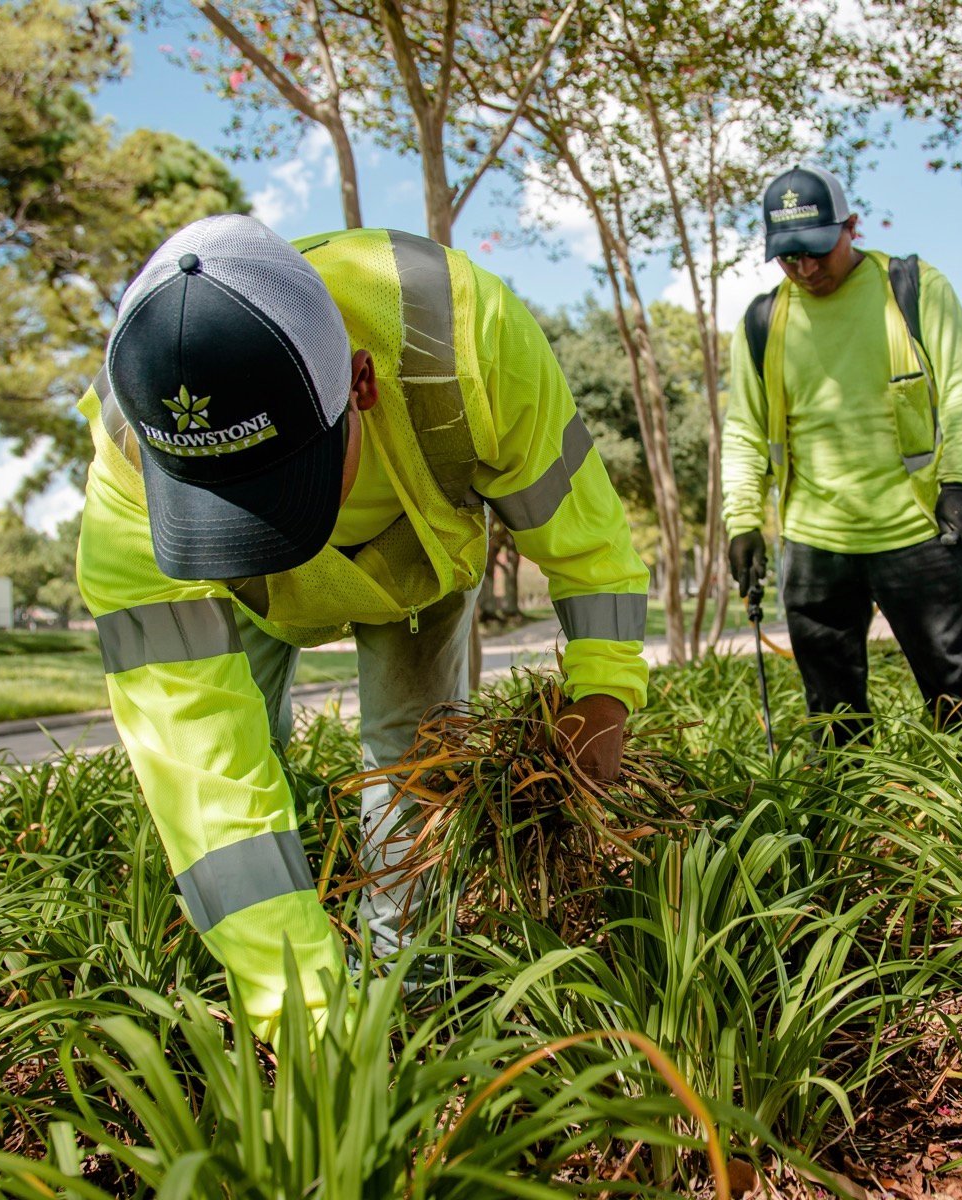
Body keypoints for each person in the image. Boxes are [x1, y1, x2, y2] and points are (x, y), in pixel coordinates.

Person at [75, 214, 649, 1037]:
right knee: (249, 754)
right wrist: (305, 1018)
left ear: (362, 382)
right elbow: (201, 767)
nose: (260, 521)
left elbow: (586, 540)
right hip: (253, 597)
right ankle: (299, 980)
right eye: (219, 505)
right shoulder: (130, 452)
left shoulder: (464, 335)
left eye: (281, 488)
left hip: (416, 567)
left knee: (410, 760)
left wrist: (602, 690)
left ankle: (413, 987)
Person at [722, 165, 962, 744]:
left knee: (961, 698)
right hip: (814, 546)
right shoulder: (763, 322)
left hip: (919, 536)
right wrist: (742, 520)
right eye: (789, 257)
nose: (806, 269)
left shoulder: (913, 289)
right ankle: (851, 832)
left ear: (851, 227)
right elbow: (745, 431)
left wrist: (961, 484)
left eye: (818, 250)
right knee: (833, 719)